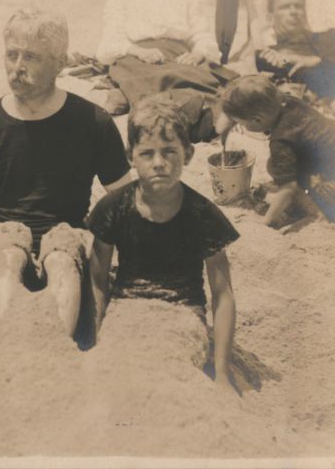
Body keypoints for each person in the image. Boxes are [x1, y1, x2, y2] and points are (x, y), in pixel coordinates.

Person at [0, 8, 131, 339]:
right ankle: (10, 344)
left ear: (59, 62)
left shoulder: (93, 122)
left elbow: (125, 197)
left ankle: (55, 347)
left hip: (69, 237)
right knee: (9, 256)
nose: (18, 67)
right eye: (12, 54)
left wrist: (101, 239)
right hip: (5, 236)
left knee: (60, 261)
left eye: (31, 56)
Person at [86, 94, 240, 393]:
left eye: (169, 151)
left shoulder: (202, 214)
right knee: (113, 374)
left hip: (182, 312)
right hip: (126, 307)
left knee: (170, 374)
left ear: (188, 154)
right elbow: (97, 280)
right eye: (147, 153)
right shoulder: (114, 208)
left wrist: (221, 372)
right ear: (131, 156)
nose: (159, 163)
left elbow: (223, 296)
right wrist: (96, 340)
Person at [219, 75, 335, 229]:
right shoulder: (290, 102)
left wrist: (266, 221)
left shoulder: (281, 140)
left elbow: (288, 188)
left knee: (285, 178)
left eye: (241, 123)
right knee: (277, 166)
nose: (242, 127)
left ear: (257, 119)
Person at [95, 0, 228, 115]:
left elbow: (202, 34)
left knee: (188, 74)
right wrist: (138, 51)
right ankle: (178, 108)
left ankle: (133, 97)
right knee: (150, 75)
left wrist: (197, 54)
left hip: (177, 54)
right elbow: (110, 41)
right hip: (137, 57)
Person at [255, 0, 335, 102]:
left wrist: (317, 60)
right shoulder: (269, 57)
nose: (293, 11)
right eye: (284, 7)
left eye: (299, 6)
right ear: (270, 18)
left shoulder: (332, 37)